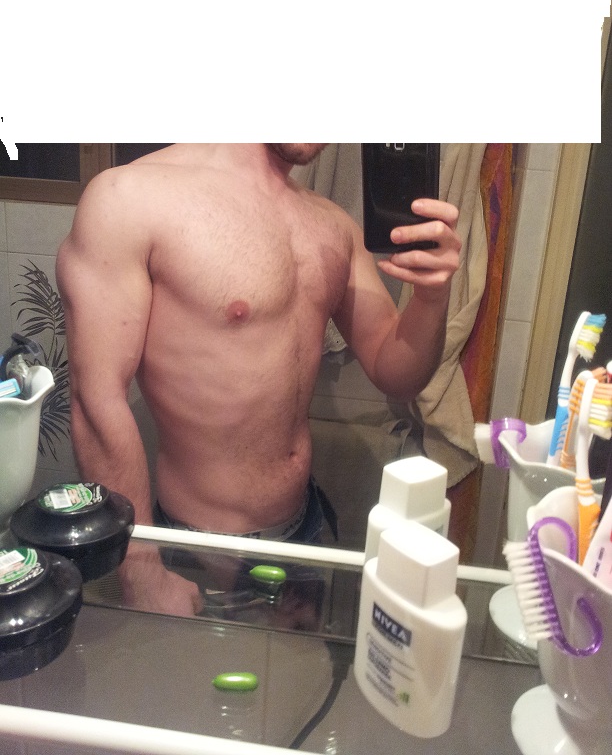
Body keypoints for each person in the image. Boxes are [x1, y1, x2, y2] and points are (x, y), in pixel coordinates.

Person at [56, 143, 461, 617]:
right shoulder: (129, 199)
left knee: (302, 669)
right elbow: (95, 400)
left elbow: (398, 374)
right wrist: (141, 573)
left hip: (303, 532)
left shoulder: (333, 226)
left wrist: (431, 299)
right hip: (197, 552)